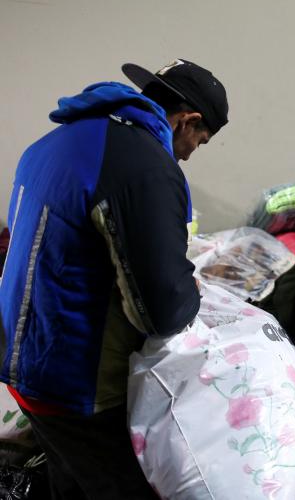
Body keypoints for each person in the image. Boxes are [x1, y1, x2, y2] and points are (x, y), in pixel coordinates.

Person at [0, 59, 228, 499]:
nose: (188, 153)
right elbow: (161, 311)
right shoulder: (142, 164)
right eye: (198, 141)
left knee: (70, 482)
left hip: (20, 359)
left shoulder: (55, 141)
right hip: (73, 382)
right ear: (188, 120)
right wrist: (189, 292)